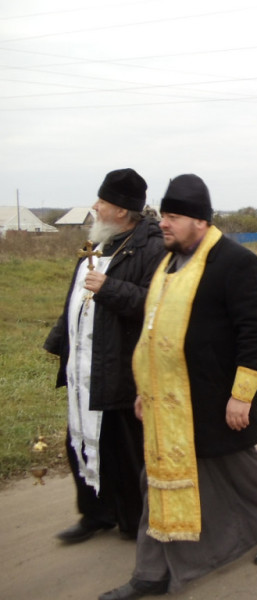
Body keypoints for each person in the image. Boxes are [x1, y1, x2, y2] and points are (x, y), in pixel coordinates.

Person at [99, 175, 257, 600]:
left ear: (200, 221)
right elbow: (153, 332)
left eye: (173, 216)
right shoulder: (168, 263)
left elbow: (256, 334)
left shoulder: (236, 263)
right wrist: (144, 389)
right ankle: (150, 574)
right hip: (169, 400)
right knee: (157, 478)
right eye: (163, 215)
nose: (163, 224)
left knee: (241, 468)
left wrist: (242, 396)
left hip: (215, 396)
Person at [44, 168, 165, 545]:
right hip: (85, 365)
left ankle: (132, 522)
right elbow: (76, 298)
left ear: (123, 211)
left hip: (120, 367)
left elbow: (157, 305)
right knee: (79, 440)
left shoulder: (152, 248)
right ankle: (95, 514)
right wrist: (59, 341)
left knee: (121, 449)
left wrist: (111, 288)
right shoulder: (99, 242)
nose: (95, 207)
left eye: (103, 203)